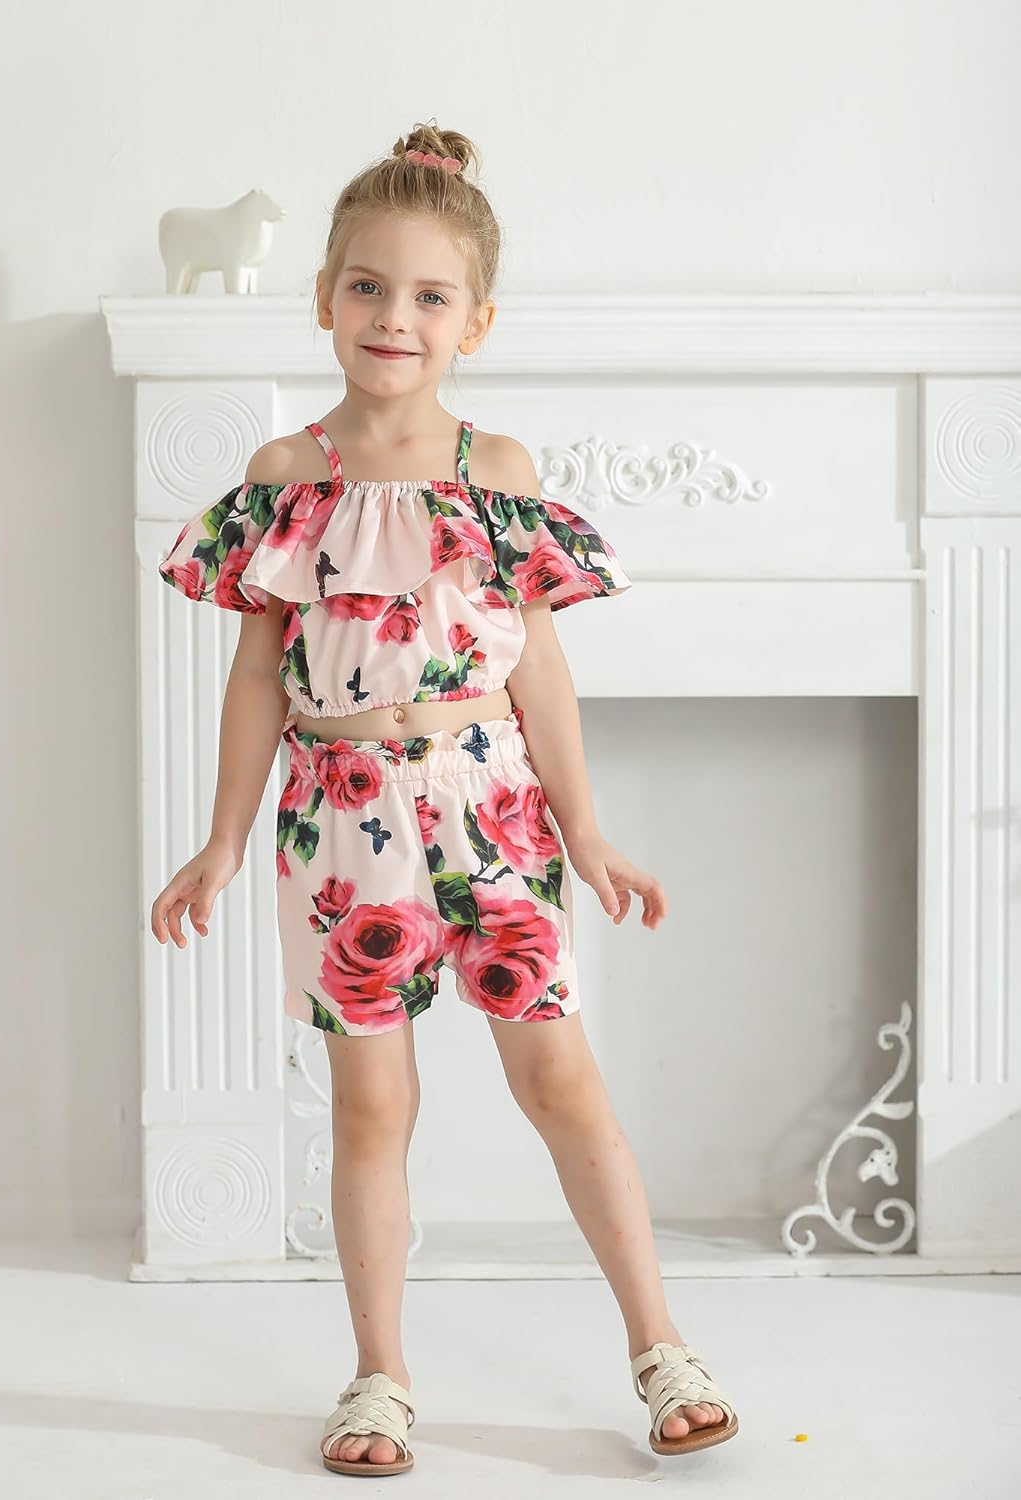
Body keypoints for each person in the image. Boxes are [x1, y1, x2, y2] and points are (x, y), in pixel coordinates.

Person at [151, 121, 738, 1476]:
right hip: (339, 823)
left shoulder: (497, 475)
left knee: (560, 1080)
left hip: (494, 810)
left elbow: (542, 670)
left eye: (427, 295)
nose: (393, 317)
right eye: (367, 286)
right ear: (323, 297)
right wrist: (222, 839)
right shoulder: (287, 480)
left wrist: (586, 833)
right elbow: (257, 675)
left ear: (474, 321)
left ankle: (660, 1347)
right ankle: (379, 1377)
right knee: (372, 1108)